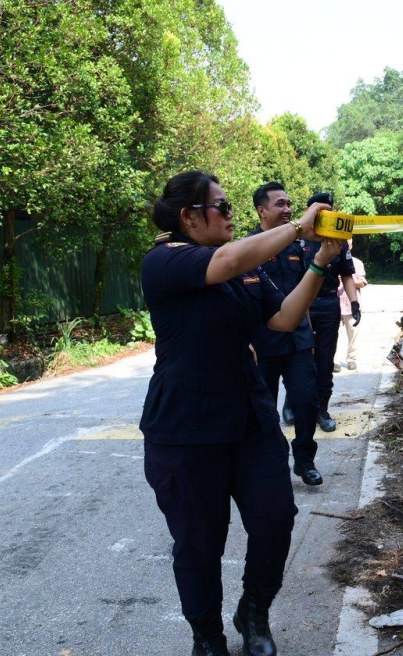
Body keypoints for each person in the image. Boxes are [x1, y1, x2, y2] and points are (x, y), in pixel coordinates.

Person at [140, 170, 340, 656]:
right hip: (186, 429)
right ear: (189, 217)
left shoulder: (247, 271)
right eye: (223, 207)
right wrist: (297, 228)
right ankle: (206, 636)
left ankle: (253, 611)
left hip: (250, 422)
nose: (231, 216)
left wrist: (319, 261)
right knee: (198, 542)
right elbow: (226, 260)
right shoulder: (165, 260)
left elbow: (284, 318)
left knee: (275, 520)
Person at [249, 182, 322, 486]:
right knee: (264, 411)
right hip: (264, 344)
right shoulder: (248, 248)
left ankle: (304, 461)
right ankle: (271, 462)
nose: (288, 210)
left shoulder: (296, 247)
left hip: (298, 341)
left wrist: (311, 332)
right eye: (280, 204)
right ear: (261, 210)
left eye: (289, 204)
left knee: (306, 403)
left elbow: (301, 294)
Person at [301, 192, 359, 433]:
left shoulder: (339, 240)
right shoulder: (299, 239)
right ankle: (297, 406)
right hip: (302, 304)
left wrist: (354, 303)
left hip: (327, 304)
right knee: (302, 357)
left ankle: (322, 409)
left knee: (325, 359)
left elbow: (346, 274)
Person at [337, 240, 367, 371]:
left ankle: (351, 359)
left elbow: (362, 282)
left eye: (348, 244)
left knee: (353, 333)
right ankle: (333, 361)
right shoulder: (331, 258)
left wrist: (346, 278)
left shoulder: (357, 263)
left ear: (351, 246)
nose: (346, 247)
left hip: (350, 304)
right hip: (335, 304)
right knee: (332, 335)